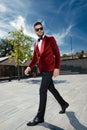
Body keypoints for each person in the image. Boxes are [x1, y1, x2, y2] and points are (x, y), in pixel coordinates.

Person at [24, 22, 69, 126]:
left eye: (41, 28)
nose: (39, 30)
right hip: (42, 70)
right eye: (37, 29)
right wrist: (29, 67)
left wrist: (57, 67)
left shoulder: (50, 39)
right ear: (34, 31)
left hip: (49, 68)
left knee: (42, 90)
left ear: (43, 29)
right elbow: (35, 58)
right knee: (51, 88)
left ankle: (40, 117)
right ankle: (64, 104)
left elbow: (57, 54)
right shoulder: (35, 44)